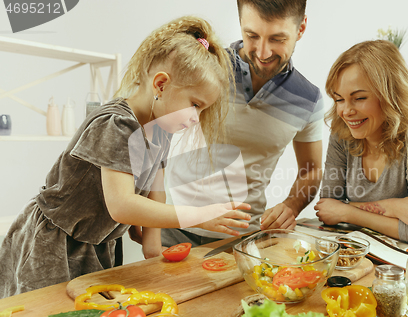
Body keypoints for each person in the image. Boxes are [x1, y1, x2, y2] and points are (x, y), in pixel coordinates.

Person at [0, 16, 252, 298]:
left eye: (203, 110)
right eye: (195, 105)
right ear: (160, 85)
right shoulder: (117, 125)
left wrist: (153, 249)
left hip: (98, 244)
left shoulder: (161, 131)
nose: (196, 118)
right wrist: (200, 215)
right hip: (54, 243)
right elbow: (122, 205)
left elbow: (156, 193)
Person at [161, 0, 325, 247]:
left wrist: (292, 204)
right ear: (240, 24)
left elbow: (311, 170)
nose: (262, 52)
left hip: (243, 239)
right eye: (252, 35)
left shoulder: (309, 100)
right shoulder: (207, 68)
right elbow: (154, 133)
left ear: (301, 28)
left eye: (277, 39)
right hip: (174, 231)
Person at [314, 40, 408, 243]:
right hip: (354, 253)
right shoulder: (341, 133)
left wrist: (347, 213)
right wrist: (395, 208)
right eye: (339, 99)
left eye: (359, 98)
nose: (346, 111)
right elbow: (327, 209)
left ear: (391, 95)